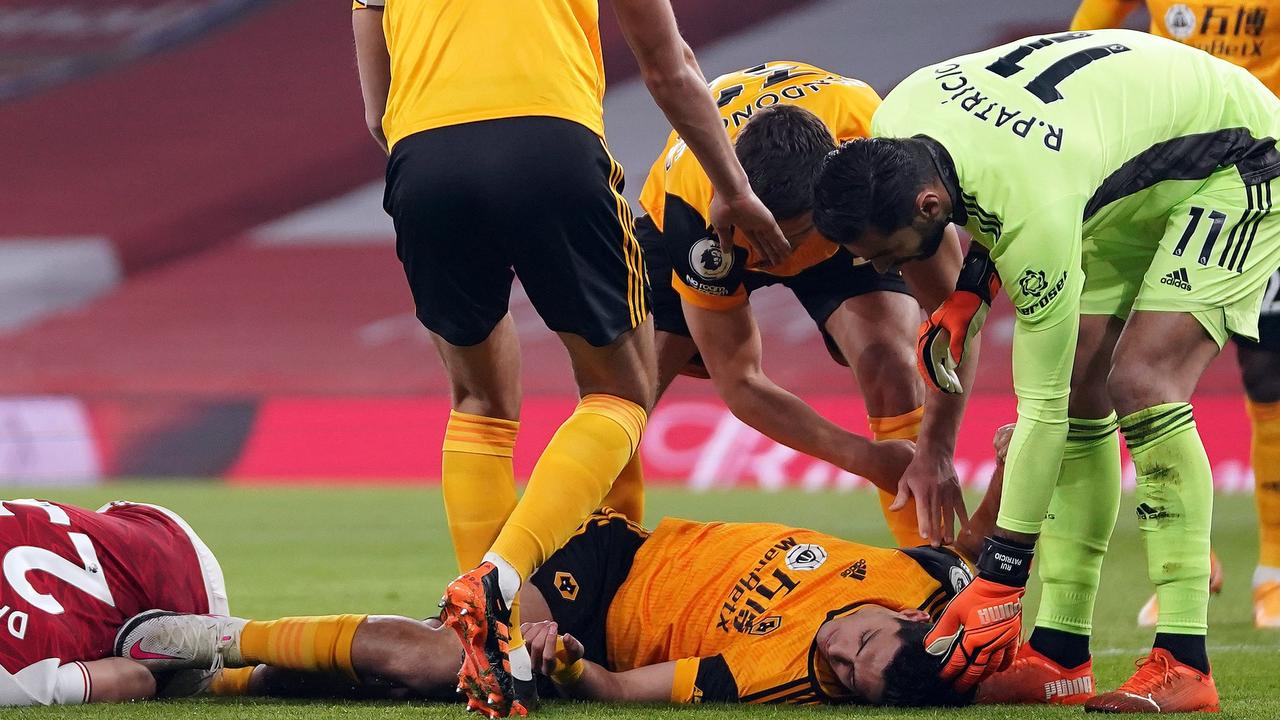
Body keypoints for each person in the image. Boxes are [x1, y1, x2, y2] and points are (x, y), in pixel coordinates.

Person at [812, 29, 1280, 712]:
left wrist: (1001, 578)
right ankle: (1060, 656)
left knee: (1140, 380)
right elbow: (987, 182)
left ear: (926, 208)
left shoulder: (1031, 205)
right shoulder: (899, 124)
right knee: (1084, 383)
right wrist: (972, 283)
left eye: (887, 253)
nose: (886, 271)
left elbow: (1040, 414)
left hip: (1238, 158)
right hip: (1118, 166)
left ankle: (1186, 663)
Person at [350, 1, 789, 716]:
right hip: (550, 146)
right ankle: (510, 578)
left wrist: (439, 165)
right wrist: (734, 189)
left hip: (423, 156)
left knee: (479, 405)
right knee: (621, 390)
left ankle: (496, 643)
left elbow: (378, 112)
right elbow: (668, 68)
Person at [116, 426, 1025, 710]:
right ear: (910, 621)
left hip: (588, 626)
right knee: (447, 655)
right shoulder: (928, 586)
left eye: (846, 678)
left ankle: (222, 662)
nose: (834, 653)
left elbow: (626, 691)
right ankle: (214, 648)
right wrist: (1021, 462)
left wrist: (565, 666)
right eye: (857, 643)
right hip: (617, 554)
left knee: (431, 670)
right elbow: (986, 557)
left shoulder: (775, 678)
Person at [633, 63, 968, 547]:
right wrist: (865, 459)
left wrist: (933, 448)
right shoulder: (695, 212)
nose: (776, 257)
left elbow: (951, 317)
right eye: (761, 239)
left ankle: (936, 573)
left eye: (788, 239)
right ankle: (584, 568)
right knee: (624, 400)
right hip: (715, 234)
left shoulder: (883, 153)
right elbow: (741, 382)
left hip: (832, 220)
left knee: (892, 366)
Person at [1070, 0, 1280, 632]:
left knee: (1269, 371)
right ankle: (1187, 561)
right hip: (1164, 173)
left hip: (1257, 173)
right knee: (1130, 369)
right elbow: (1083, 42)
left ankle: (1274, 568)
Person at [0, 498, 227, 706]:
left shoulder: (11, 678)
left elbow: (136, 678)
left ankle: (245, 659)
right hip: (146, 523)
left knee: (172, 677)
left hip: (185, 597)